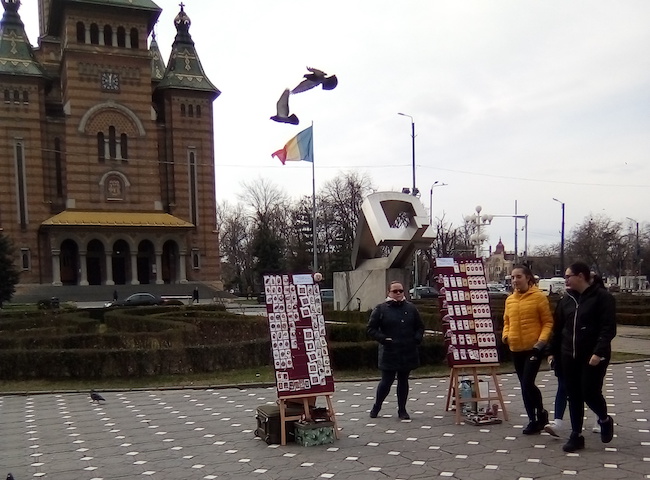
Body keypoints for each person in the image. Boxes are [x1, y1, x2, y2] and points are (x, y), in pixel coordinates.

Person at [548, 262, 616, 452]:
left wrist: (599, 352)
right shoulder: (566, 300)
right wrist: (552, 352)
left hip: (592, 356)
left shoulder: (602, 298)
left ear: (580, 276)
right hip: (568, 355)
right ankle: (576, 435)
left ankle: (604, 419)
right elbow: (558, 328)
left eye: (568, 276)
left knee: (589, 392)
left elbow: (608, 328)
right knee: (573, 394)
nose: (566, 280)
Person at [502, 265, 554, 434]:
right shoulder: (510, 300)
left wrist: (541, 341)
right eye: (512, 277)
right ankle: (533, 419)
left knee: (527, 383)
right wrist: (506, 335)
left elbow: (548, 322)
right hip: (516, 348)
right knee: (524, 385)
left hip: (533, 348)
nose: (515, 280)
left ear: (528, 278)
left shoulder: (539, 297)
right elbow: (506, 321)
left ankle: (541, 414)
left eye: (519, 277)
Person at [367, 281, 424, 420]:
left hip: (407, 350)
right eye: (395, 291)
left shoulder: (411, 308)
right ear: (389, 292)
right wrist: (383, 339)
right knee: (387, 381)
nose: (398, 293)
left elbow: (420, 326)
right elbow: (371, 329)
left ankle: (402, 410)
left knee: (404, 380)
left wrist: (417, 338)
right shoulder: (381, 309)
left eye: (400, 291)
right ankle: (377, 406)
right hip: (389, 351)